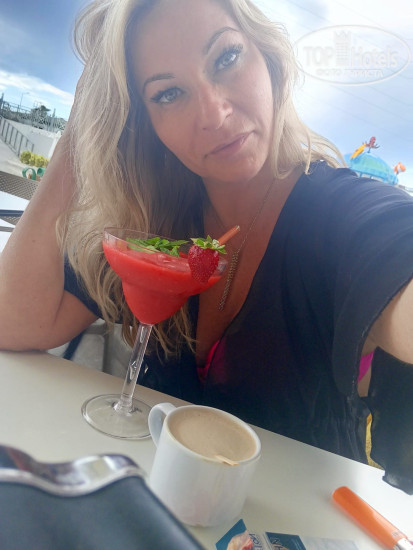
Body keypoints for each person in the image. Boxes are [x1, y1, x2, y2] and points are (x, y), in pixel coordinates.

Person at [0, 0, 412, 492]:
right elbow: (12, 321)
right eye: (168, 93)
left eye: (226, 58)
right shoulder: (150, 222)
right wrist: (81, 128)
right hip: (149, 507)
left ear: (269, 59)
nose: (214, 114)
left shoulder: (339, 214)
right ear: (145, 122)